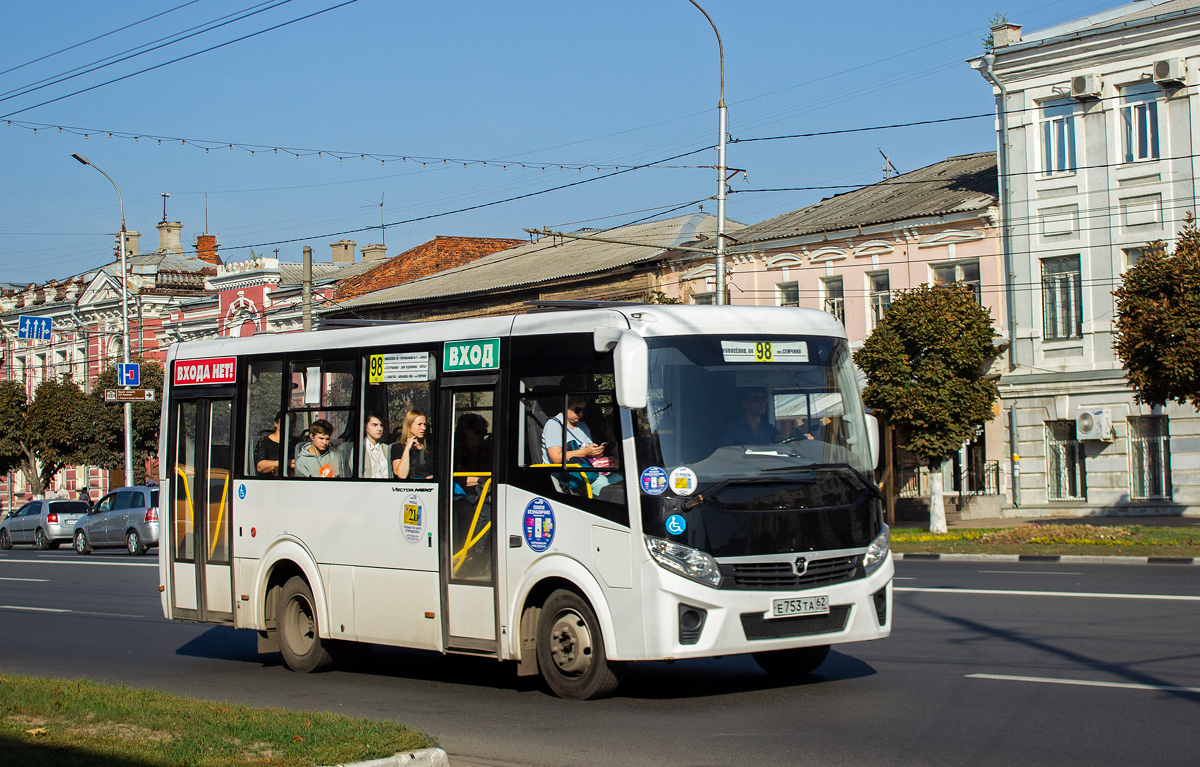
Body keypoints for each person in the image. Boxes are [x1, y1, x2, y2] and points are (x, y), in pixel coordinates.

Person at [541, 395, 614, 496]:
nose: (580, 414)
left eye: (583, 410)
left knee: (618, 478)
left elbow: (587, 450)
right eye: (577, 410)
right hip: (565, 474)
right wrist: (584, 452)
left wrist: (595, 452)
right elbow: (556, 458)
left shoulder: (582, 426)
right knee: (603, 484)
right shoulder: (554, 424)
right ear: (565, 406)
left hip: (585, 469)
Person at [719, 387, 783, 446]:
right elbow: (726, 453)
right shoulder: (731, 429)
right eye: (756, 400)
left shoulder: (769, 428)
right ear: (744, 403)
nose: (762, 403)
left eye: (764, 400)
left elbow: (783, 441)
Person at [391, 409, 432, 480]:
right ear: (409, 425)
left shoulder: (429, 448)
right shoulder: (397, 447)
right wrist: (407, 449)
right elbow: (401, 475)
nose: (423, 428)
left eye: (424, 425)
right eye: (419, 424)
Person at [255, 411, 284, 477]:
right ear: (275, 423)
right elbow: (260, 466)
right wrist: (285, 463)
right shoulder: (265, 442)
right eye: (285, 421)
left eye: (293, 422)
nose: (289, 425)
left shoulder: (297, 443)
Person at [361, 412, 390, 478]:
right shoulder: (359, 450)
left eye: (381, 425)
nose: (379, 429)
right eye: (374, 425)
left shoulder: (386, 448)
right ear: (365, 427)